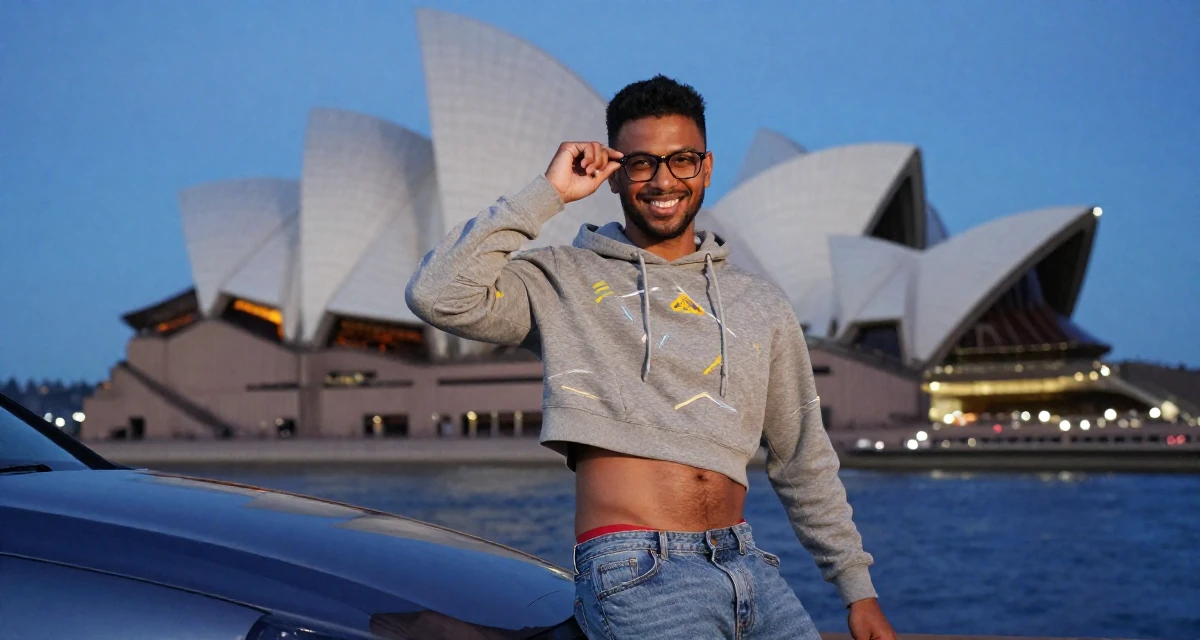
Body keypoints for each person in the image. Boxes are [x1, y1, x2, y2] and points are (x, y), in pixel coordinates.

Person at [407, 75, 896, 640]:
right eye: (641, 163)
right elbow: (437, 294)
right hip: (636, 570)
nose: (663, 181)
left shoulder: (759, 302)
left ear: (706, 168)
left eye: (682, 160)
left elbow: (803, 455)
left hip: (747, 566)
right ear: (615, 174)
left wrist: (858, 591)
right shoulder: (564, 279)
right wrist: (548, 192)